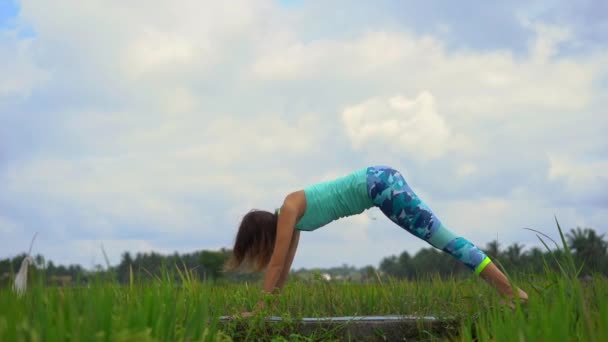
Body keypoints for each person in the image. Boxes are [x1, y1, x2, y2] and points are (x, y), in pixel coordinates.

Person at [225, 165, 528, 315]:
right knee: (445, 240)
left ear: (261, 235)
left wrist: (258, 311)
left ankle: (511, 293)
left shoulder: (290, 209)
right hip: (379, 185)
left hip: (379, 185)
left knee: (446, 240)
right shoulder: (293, 221)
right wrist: (266, 310)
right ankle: (511, 293)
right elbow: (284, 269)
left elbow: (276, 264)